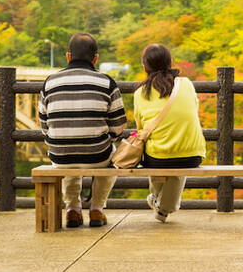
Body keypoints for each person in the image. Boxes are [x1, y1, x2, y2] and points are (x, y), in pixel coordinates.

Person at [39, 33, 127, 228]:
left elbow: (44, 126)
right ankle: (97, 209)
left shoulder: (50, 82)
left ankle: (72, 210)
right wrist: (107, 138)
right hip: (97, 154)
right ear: (95, 58)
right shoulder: (107, 82)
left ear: (68, 56)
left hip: (60, 155)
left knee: (68, 150)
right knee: (114, 158)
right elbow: (119, 126)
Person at [133, 43, 206, 222]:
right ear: (171, 62)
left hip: (157, 158)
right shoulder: (186, 84)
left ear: (144, 67)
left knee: (157, 149)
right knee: (178, 152)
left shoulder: (140, 92)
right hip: (192, 154)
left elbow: (141, 128)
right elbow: (193, 110)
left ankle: (159, 201)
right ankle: (163, 208)